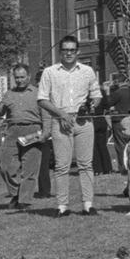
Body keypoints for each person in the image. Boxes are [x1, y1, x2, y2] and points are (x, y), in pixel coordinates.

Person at [37, 34, 103, 217]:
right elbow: (42, 99)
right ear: (60, 52)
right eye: (65, 50)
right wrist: (62, 114)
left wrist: (91, 105)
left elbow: (97, 95)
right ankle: (62, 206)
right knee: (62, 166)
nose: (68, 53)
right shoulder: (50, 72)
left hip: (83, 122)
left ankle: (88, 205)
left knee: (86, 164)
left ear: (77, 52)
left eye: (72, 50)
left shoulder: (87, 71)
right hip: (61, 122)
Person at [0, 63, 43, 211]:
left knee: (30, 168)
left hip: (32, 129)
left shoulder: (38, 93)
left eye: (22, 77)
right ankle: (16, 192)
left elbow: (46, 115)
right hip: (13, 130)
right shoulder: (8, 94)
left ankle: (24, 201)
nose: (19, 80)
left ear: (28, 77)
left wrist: (44, 133)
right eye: (17, 78)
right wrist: (1, 106)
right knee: (5, 167)